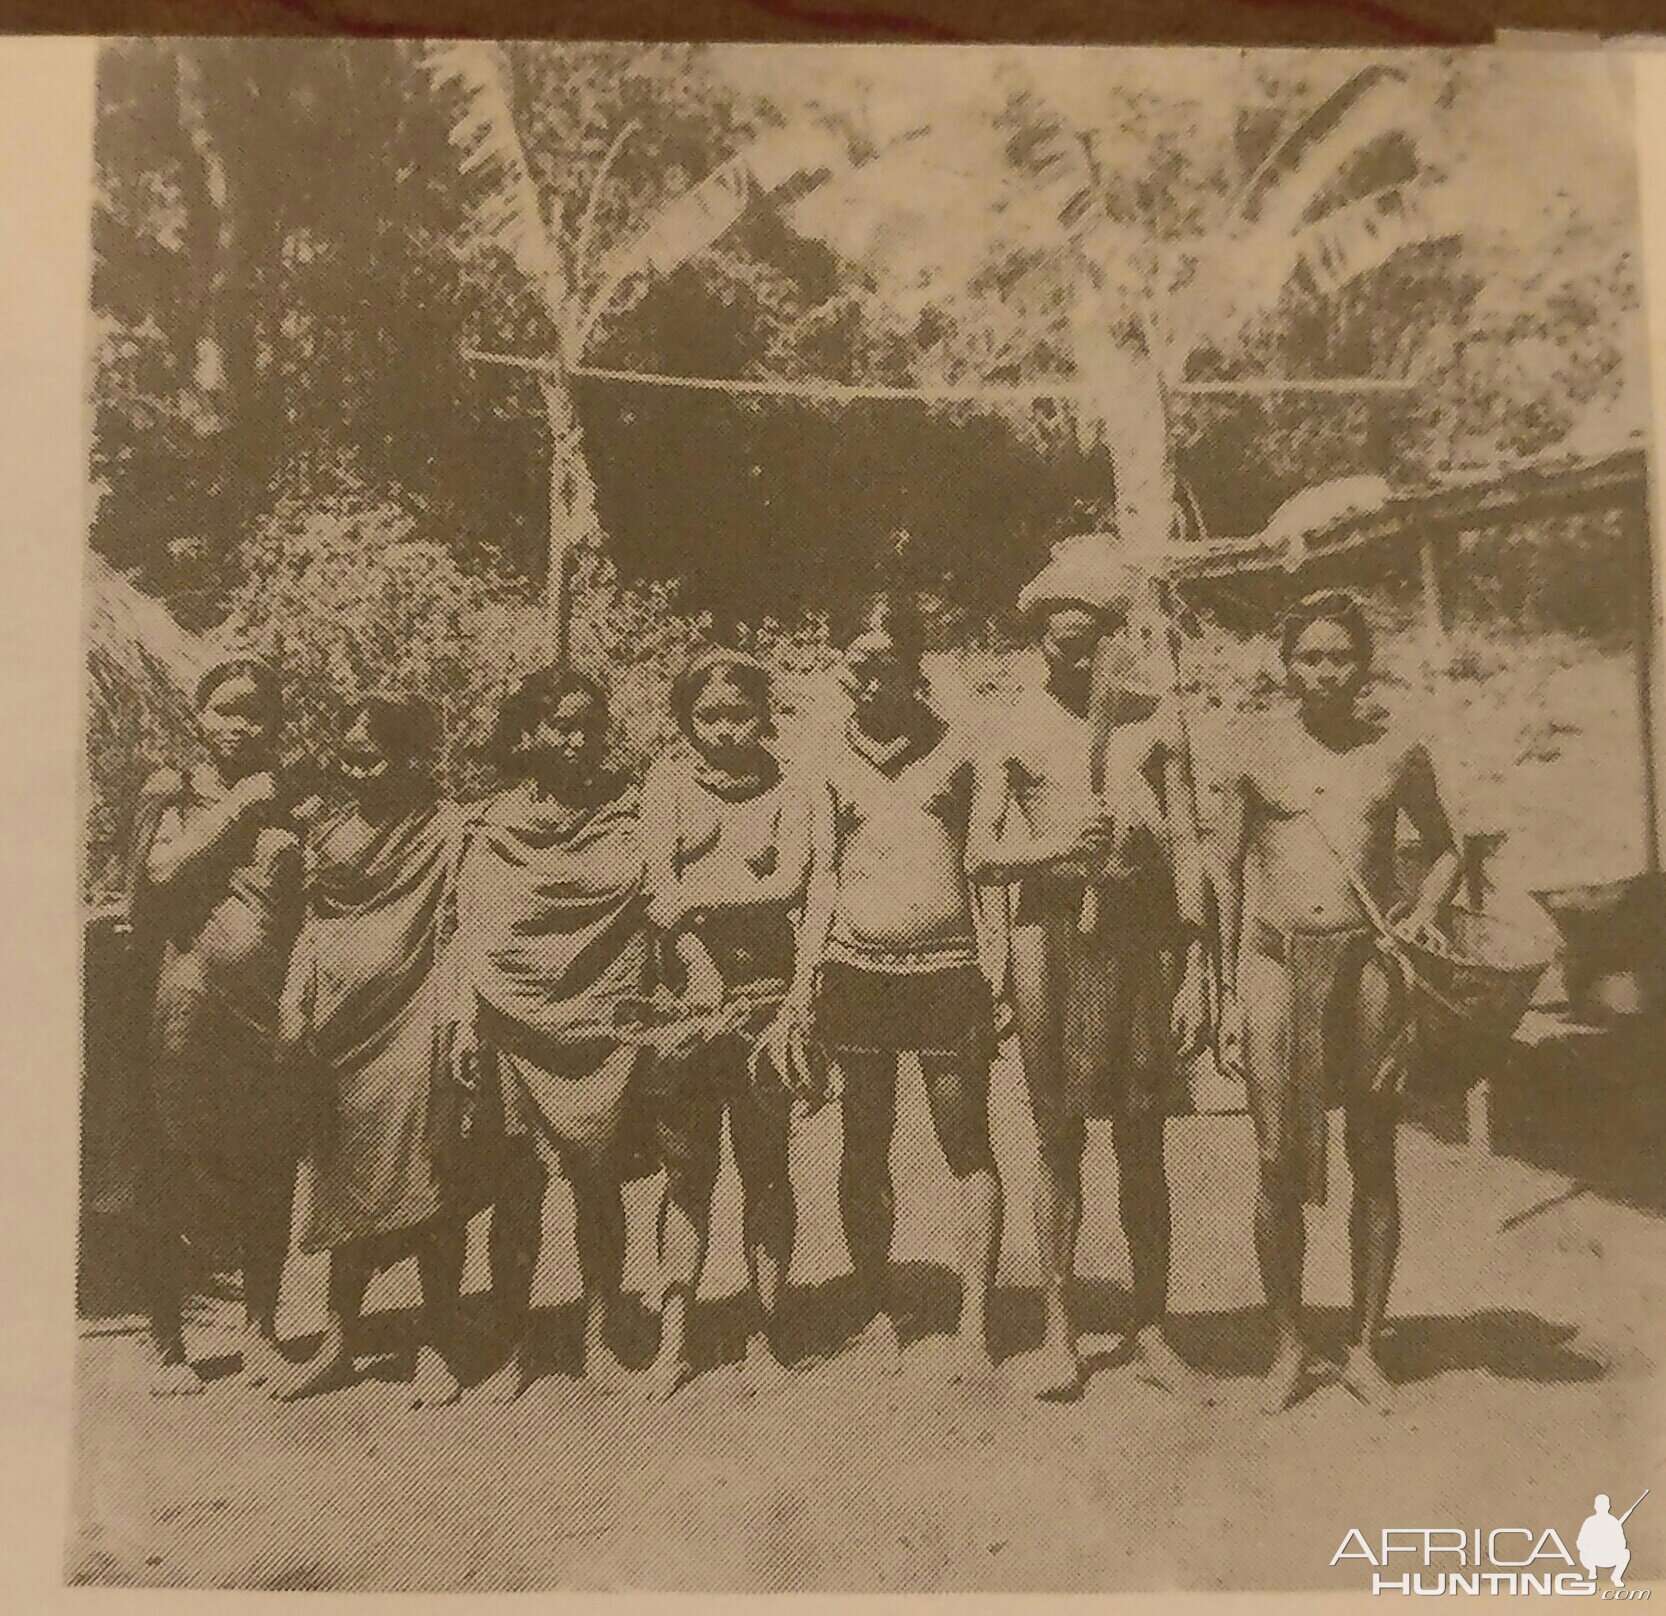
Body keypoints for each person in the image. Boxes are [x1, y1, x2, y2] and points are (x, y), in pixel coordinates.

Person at [969, 554, 1211, 1402]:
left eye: (1088, 647)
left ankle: (1152, 1329)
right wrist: (1055, 850)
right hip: (1050, 943)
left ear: (1112, 642)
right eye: (1058, 648)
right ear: (1040, 644)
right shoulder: (1010, 728)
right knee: (1057, 1140)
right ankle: (1059, 1331)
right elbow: (981, 853)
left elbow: (1189, 849)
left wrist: (1195, 971)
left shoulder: (1154, 723)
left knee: (1142, 1143)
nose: (1073, 662)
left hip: (1141, 944)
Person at [1216, 589, 1462, 1412]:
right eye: (1308, 658)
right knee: (1277, 1160)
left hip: (1366, 968)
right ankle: (1287, 1348)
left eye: (1340, 657)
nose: (1324, 673)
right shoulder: (1253, 751)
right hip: (1275, 966)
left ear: (1364, 665)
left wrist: (1421, 916)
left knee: (1373, 1154)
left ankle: (1363, 1346)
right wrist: (1217, 991)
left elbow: (1447, 848)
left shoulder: (1397, 752)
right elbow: (1223, 876)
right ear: (1285, 667)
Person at [768, 587, 1004, 1383]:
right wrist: (804, 986)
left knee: (964, 1141)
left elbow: (986, 869)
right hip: (856, 969)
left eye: (886, 670)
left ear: (915, 668)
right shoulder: (826, 753)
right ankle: (877, 1304)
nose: (870, 687)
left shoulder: (960, 747)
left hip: (945, 968)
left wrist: (995, 967)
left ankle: (975, 1315)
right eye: (857, 671)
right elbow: (823, 877)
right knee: (862, 1142)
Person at [455, 666, 652, 1402]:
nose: (577, 741)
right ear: (526, 734)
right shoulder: (489, 826)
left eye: (590, 728)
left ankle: (600, 1336)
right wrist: (469, 1024)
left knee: (599, 1185)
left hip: (603, 1019)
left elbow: (653, 899)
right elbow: (471, 930)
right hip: (512, 1020)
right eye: (560, 727)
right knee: (518, 1188)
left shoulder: (630, 811)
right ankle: (512, 1344)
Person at [275, 696, 468, 1408]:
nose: (355, 771)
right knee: (342, 1183)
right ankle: (337, 1341)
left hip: (420, 1024)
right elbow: (312, 928)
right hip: (341, 1035)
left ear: (415, 760)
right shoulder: (328, 835)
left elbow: (461, 924)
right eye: (347, 756)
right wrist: (293, 1006)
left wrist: (457, 1018)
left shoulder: (448, 831)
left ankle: (439, 1344)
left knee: (430, 1184)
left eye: (371, 756)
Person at [127, 657, 305, 1397]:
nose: (239, 725)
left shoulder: (291, 801)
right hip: (185, 1006)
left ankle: (260, 1332)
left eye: (255, 713)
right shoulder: (174, 789)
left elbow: (306, 902)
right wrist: (237, 809)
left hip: (264, 1009)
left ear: (276, 725)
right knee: (171, 1168)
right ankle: (167, 1344)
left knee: (270, 1168)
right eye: (225, 710)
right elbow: (160, 874)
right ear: (199, 715)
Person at [639, 649, 810, 1399]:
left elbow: (788, 883)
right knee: (686, 1172)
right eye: (706, 717)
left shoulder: (791, 785)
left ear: (763, 714)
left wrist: (702, 907)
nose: (723, 731)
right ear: (684, 723)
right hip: (682, 1002)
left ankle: (765, 1331)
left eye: (739, 714)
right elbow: (658, 886)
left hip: (767, 998)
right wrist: (695, 957)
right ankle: (673, 1339)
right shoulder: (666, 784)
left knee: (765, 1166)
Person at [1577, 1494, 1632, 1588]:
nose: (1601, 1507)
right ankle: (1592, 1569)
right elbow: (1580, 1542)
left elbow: (1622, 1543)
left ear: (1608, 1507)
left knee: (1625, 1553)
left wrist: (1610, 1544)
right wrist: (1589, 1548)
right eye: (1599, 1505)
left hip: (1610, 1557)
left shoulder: (1614, 1522)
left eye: (1603, 1505)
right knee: (1582, 1553)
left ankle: (1616, 1577)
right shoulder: (1589, 1521)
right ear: (1595, 1506)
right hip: (1593, 1557)